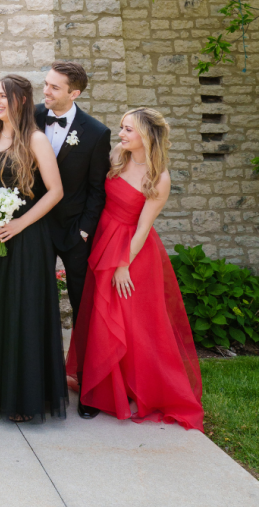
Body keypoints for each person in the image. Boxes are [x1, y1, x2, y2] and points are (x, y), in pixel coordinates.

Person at [67, 109, 203, 431]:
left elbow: (143, 228)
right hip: (102, 237)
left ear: (146, 135)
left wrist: (122, 265)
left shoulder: (159, 178)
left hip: (131, 251)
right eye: (122, 128)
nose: (122, 134)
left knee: (126, 322)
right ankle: (97, 386)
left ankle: (123, 390)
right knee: (96, 313)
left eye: (128, 129)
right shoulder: (117, 156)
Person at [0, 74, 67, 422]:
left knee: (21, 312)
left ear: (21, 101)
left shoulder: (35, 140)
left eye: (2, 96)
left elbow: (55, 192)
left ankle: (23, 396)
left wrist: (18, 225)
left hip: (25, 238)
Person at [34, 63, 110, 329]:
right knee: (34, 299)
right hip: (34, 226)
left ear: (74, 94)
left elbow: (97, 189)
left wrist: (84, 231)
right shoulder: (29, 117)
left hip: (73, 230)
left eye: (54, 87)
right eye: (46, 84)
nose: (46, 91)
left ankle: (83, 366)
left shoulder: (96, 133)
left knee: (82, 301)